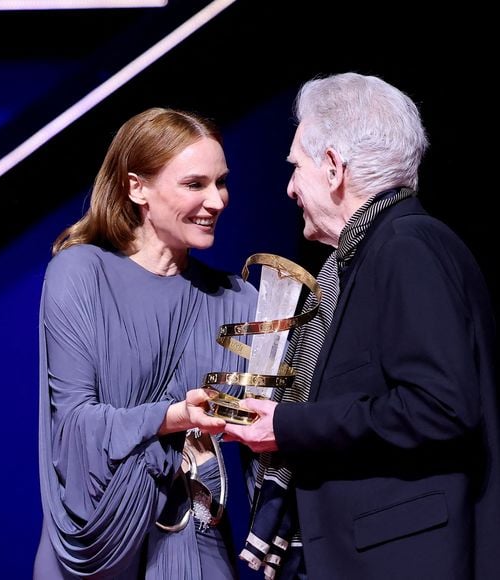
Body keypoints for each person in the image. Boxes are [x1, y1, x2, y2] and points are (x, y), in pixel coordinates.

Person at [224, 72, 500, 579]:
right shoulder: (372, 252)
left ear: (333, 169)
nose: (288, 188)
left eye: (296, 168)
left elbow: (440, 406)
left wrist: (286, 424)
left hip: (401, 560)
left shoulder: (406, 246)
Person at [33, 107, 258, 579]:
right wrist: (172, 417)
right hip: (97, 543)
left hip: (196, 545)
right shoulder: (80, 273)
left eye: (221, 183)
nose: (216, 200)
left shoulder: (239, 302)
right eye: (195, 184)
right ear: (138, 187)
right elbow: (73, 427)